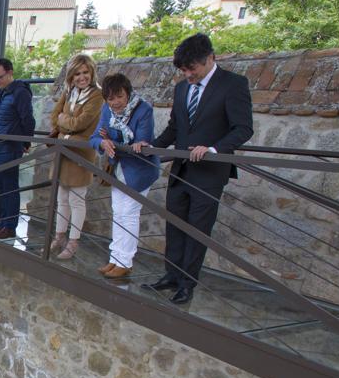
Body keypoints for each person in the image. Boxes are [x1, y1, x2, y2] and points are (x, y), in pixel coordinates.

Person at [142, 33, 253, 304]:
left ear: (210, 58)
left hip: (210, 173)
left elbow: (243, 128)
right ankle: (171, 274)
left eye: (192, 69)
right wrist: (152, 145)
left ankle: (187, 283)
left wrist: (213, 149)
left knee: (197, 230)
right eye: (184, 70)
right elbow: (175, 128)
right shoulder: (182, 89)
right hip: (181, 169)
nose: (188, 74)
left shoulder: (233, 85)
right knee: (175, 224)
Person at [90, 73, 159, 279]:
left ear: (127, 93)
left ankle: (125, 261)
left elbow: (141, 141)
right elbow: (94, 137)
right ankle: (115, 258)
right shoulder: (107, 110)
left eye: (119, 96)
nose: (116, 102)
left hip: (139, 170)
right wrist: (103, 142)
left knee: (128, 214)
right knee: (118, 212)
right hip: (118, 167)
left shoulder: (143, 109)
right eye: (110, 99)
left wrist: (114, 139)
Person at [48, 54, 105, 259]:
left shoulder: (97, 95)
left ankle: (73, 242)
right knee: (62, 196)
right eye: (77, 74)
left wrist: (65, 122)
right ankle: (59, 235)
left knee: (77, 199)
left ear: (91, 72)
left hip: (81, 153)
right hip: (64, 151)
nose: (82, 77)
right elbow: (54, 117)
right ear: (71, 77)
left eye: (85, 72)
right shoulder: (69, 92)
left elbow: (81, 123)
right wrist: (64, 122)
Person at [0, 58, 35, 240]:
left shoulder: (20, 92)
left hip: (10, 145)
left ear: (10, 73)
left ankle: (10, 226)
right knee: (0, 184)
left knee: (9, 185)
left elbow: (28, 119)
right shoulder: (4, 93)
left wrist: (25, 142)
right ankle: (3, 222)